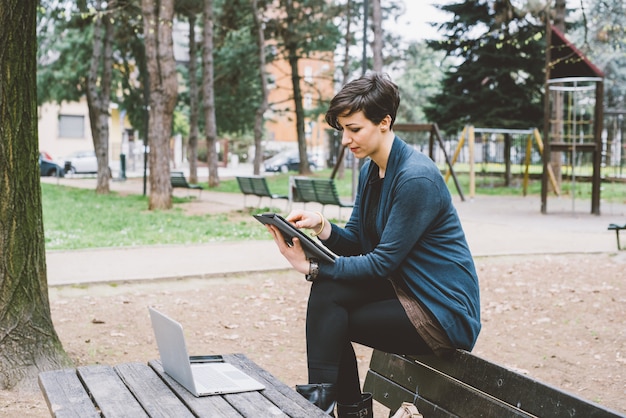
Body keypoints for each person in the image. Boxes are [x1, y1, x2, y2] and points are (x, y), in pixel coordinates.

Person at [265, 72, 481, 418]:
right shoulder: (371, 171)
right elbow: (355, 243)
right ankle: (329, 404)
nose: (346, 139)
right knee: (328, 296)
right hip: (402, 290)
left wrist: (312, 266)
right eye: (342, 130)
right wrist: (321, 227)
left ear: (384, 122)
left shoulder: (415, 178)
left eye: (354, 129)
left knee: (330, 309)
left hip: (439, 309)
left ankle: (324, 406)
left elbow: (381, 262)